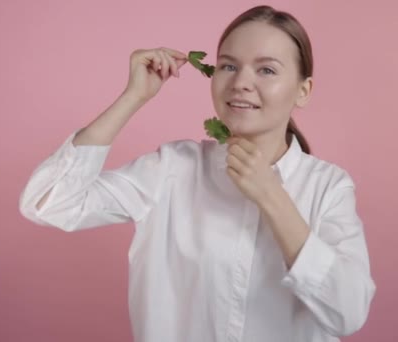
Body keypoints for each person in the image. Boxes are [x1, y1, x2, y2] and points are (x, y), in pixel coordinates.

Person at [19, 5, 376, 342]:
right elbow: (48, 203)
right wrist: (133, 97)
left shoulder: (329, 187)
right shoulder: (173, 169)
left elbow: (348, 312)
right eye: (228, 66)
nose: (240, 83)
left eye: (266, 69)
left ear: (303, 90)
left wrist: (271, 195)